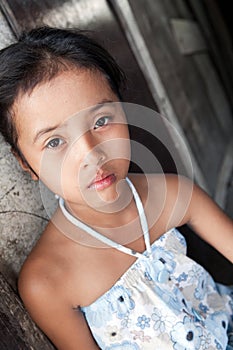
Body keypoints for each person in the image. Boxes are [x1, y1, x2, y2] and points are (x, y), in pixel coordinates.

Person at [0, 26, 232, 350]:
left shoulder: (174, 194)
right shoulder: (47, 281)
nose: (91, 154)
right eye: (55, 141)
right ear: (25, 163)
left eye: (101, 121)